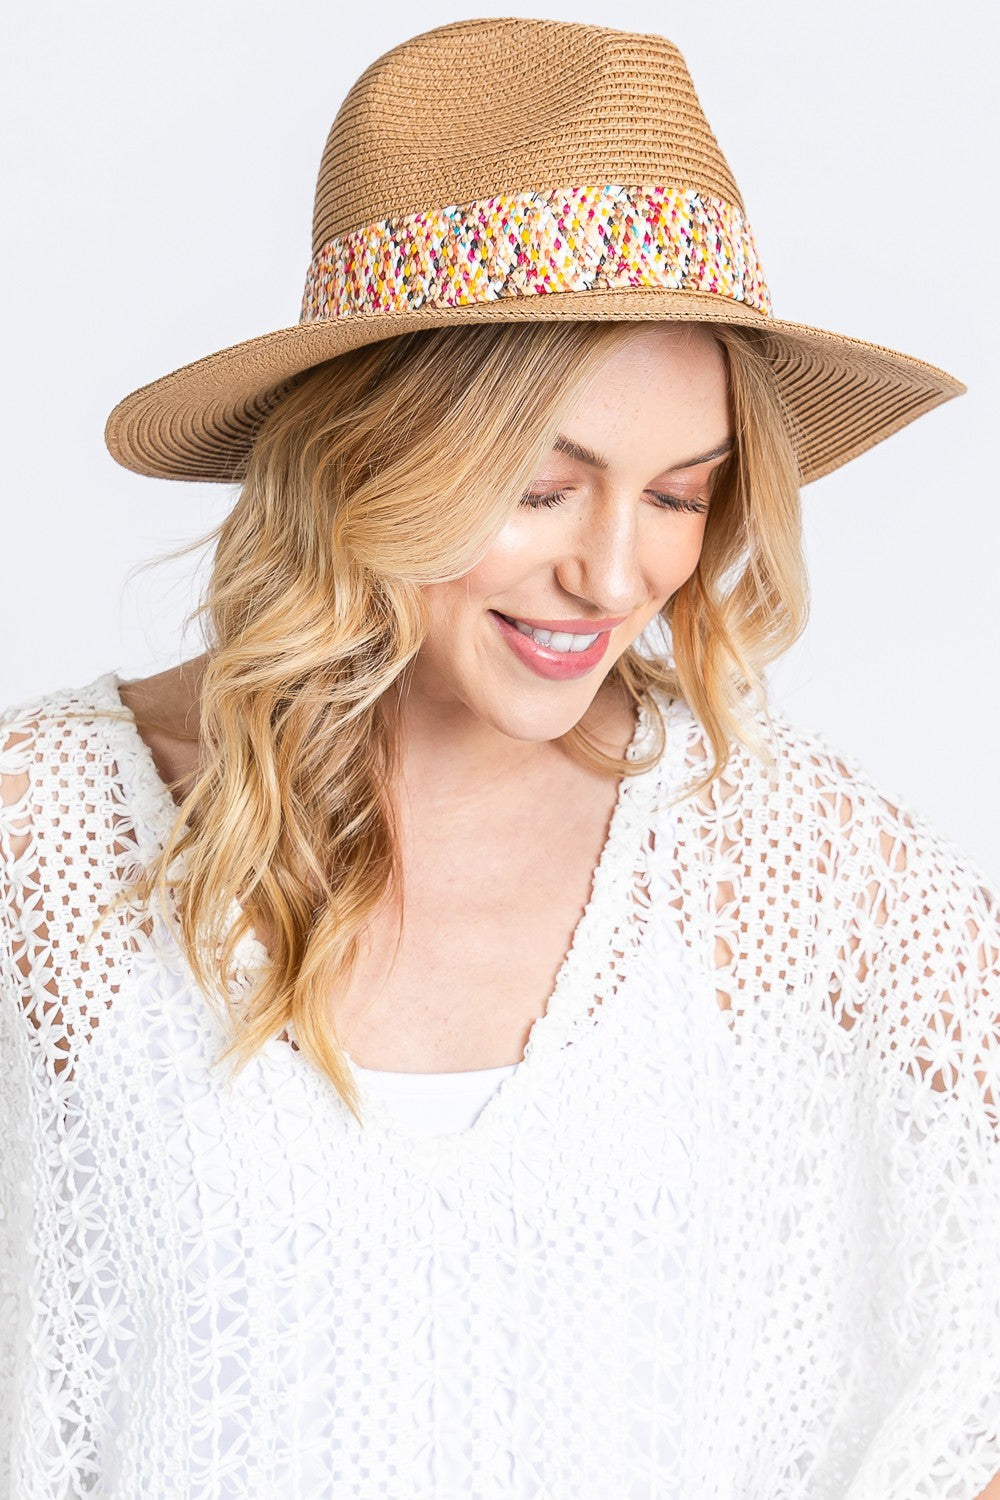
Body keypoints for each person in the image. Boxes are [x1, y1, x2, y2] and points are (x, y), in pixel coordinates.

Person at [1, 15, 997, 1500]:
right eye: (542, 485)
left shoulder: (802, 869)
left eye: (677, 494)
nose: (616, 575)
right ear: (367, 461)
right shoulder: (46, 843)